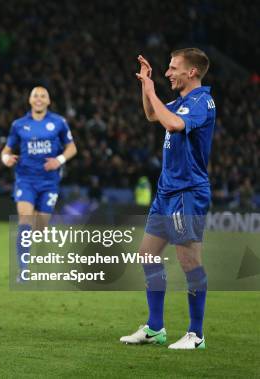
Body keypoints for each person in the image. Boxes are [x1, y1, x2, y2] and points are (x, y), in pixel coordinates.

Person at [120, 49, 215, 350]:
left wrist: (151, 90)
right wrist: (146, 87)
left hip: (188, 191)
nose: (167, 73)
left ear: (192, 73)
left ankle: (196, 334)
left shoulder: (202, 102)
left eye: (173, 68)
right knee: (147, 255)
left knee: (189, 262)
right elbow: (153, 115)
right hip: (167, 191)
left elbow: (173, 124)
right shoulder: (183, 102)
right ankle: (155, 328)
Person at [1, 87, 77, 279]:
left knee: (40, 227)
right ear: (29, 99)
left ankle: (23, 238)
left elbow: (72, 148)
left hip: (49, 182)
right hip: (25, 179)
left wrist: (58, 161)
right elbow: (6, 150)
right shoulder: (19, 125)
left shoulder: (59, 122)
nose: (39, 99)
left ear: (48, 101)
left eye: (43, 96)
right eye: (35, 95)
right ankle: (23, 269)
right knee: (25, 219)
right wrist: (6, 159)